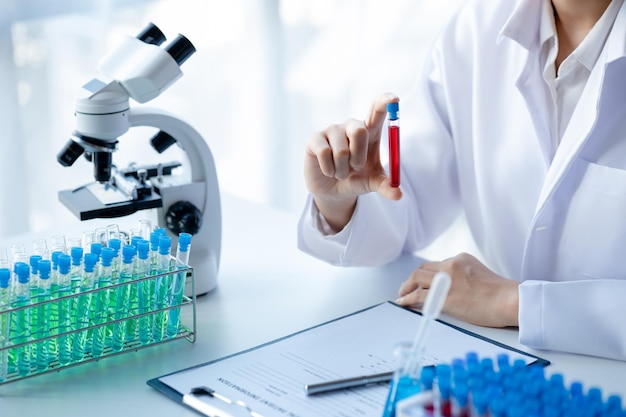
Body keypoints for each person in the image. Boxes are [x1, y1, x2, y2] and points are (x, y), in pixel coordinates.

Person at [297, 0, 626, 361]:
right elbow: (408, 204)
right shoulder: (478, 27)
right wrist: (340, 201)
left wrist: (514, 303)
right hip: (503, 360)